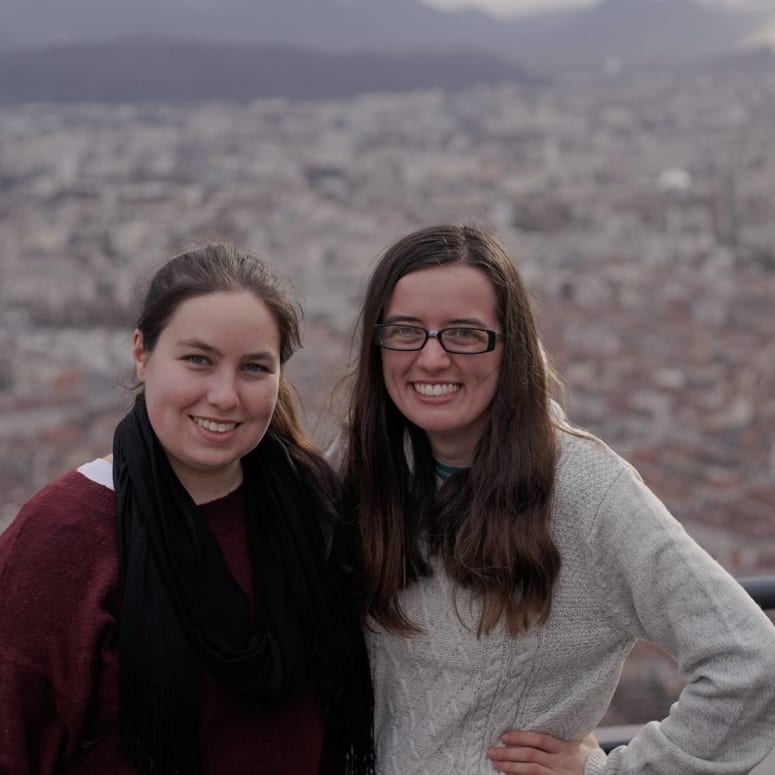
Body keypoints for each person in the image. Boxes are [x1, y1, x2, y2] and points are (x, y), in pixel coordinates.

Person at [339, 223, 775, 774]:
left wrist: (612, 773)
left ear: (511, 345)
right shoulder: (365, 468)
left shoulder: (584, 491)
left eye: (465, 334)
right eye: (406, 330)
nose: (431, 359)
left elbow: (753, 664)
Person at [0, 245, 374, 775]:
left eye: (253, 367)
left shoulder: (315, 508)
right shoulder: (61, 538)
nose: (224, 396)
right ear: (142, 354)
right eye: (198, 360)